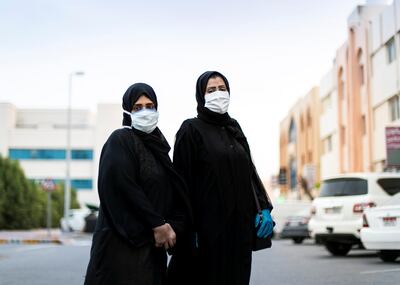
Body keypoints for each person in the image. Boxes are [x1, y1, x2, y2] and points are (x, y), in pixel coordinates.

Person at [167, 71, 274, 285]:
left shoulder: (233, 127)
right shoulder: (190, 130)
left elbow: (249, 171)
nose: (218, 94)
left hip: (239, 231)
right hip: (207, 233)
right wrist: (187, 229)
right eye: (211, 90)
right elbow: (180, 184)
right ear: (201, 95)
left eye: (222, 89)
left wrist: (263, 206)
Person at [84, 83, 191, 285]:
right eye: (137, 107)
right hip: (119, 251)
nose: (145, 112)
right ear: (127, 112)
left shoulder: (160, 150)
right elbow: (122, 187)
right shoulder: (120, 140)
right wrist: (157, 224)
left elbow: (171, 194)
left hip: (151, 252)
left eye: (150, 106)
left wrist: (172, 227)